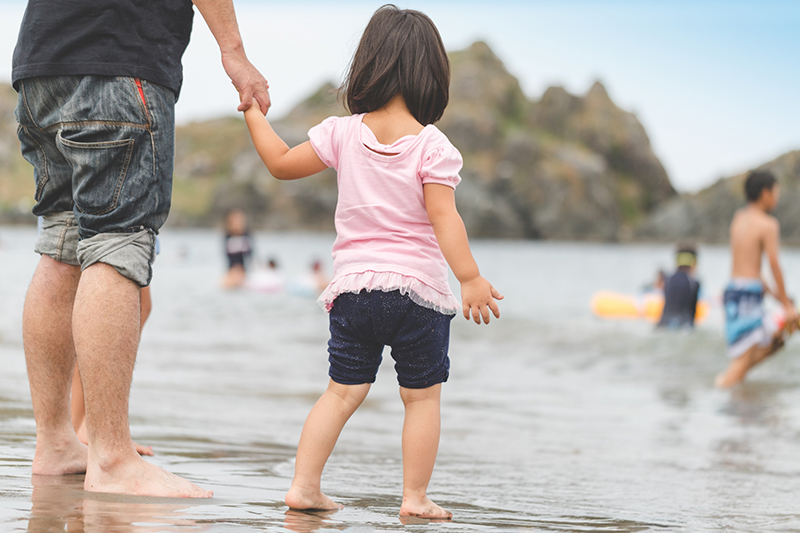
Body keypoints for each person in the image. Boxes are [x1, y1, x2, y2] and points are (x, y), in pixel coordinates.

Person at [242, 5, 503, 519]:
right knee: (422, 400)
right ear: (432, 76)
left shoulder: (341, 133)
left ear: (368, 64)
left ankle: (304, 486)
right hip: (417, 295)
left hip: (354, 289)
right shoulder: (433, 146)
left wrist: (253, 109)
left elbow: (278, 163)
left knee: (341, 393)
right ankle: (414, 498)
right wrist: (469, 278)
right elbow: (444, 216)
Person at [13, 0, 269, 497]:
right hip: (117, 62)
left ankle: (55, 443)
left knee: (60, 244)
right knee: (116, 241)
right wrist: (234, 52)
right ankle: (111, 458)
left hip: (40, 65)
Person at [715, 170, 799, 388]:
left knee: (775, 343)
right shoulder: (768, 224)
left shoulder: (739, 218)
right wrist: (788, 305)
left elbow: (752, 269)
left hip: (734, 291)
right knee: (743, 359)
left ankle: (733, 390)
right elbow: (774, 265)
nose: (777, 198)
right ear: (765, 194)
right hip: (748, 297)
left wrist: (780, 300)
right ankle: (723, 387)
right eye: (776, 193)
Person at [657, 245, 700, 329]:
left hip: (662, 324)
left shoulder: (667, 280)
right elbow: (692, 314)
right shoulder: (694, 283)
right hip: (683, 325)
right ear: (694, 263)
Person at [222, 209, 254, 289]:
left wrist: (243, 271)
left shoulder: (247, 236)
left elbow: (250, 256)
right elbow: (227, 257)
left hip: (244, 271)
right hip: (232, 270)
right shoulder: (227, 237)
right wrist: (233, 271)